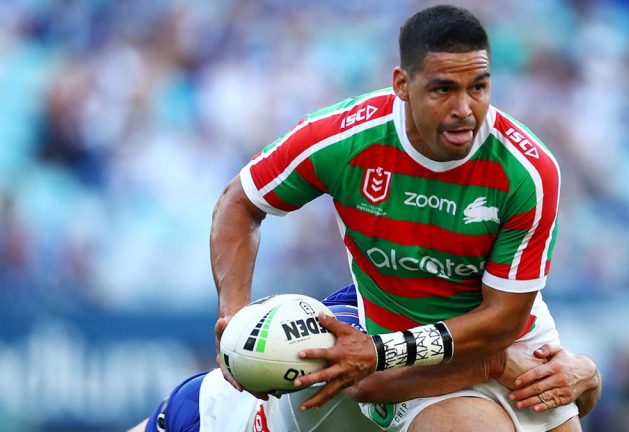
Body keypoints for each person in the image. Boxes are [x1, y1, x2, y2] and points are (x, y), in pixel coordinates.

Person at [210, 5, 601, 431]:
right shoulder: (344, 139)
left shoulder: (527, 171)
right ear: (402, 84)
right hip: (413, 362)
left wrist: (579, 374)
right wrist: (234, 318)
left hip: (513, 344)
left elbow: (502, 319)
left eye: (479, 87)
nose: (465, 109)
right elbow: (239, 202)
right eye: (443, 90)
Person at [129, 289, 600, 432]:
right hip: (209, 419)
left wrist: (588, 378)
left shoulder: (521, 311)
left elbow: (562, 406)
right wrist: (491, 365)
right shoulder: (376, 300)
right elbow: (362, 379)